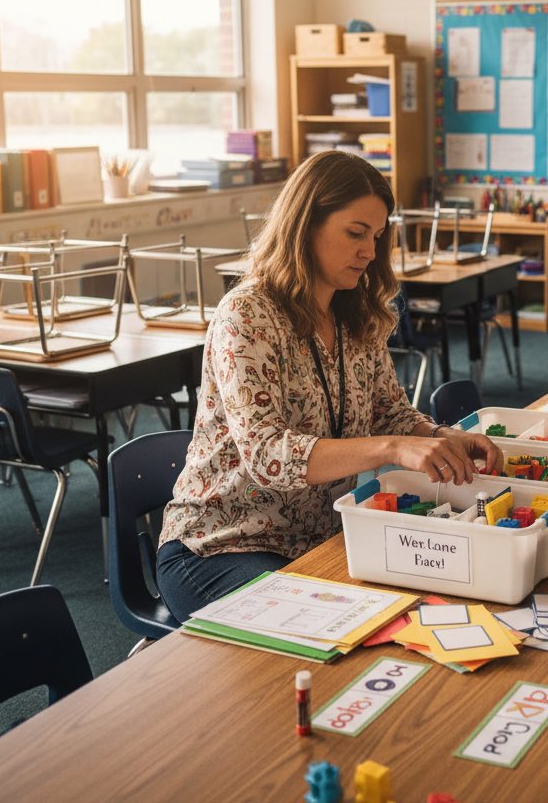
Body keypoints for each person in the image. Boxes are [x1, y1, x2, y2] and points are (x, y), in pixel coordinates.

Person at [157, 151, 502, 622]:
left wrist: (441, 438)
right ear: (305, 225)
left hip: (317, 540)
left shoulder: (353, 314)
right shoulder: (247, 315)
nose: (370, 251)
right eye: (355, 233)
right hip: (219, 547)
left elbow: (391, 416)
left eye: (378, 237)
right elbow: (267, 456)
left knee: (420, 602)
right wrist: (393, 448)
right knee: (333, 628)